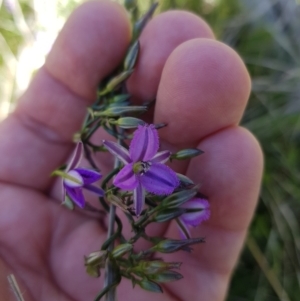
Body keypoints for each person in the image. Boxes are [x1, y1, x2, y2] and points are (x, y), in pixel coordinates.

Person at [0, 0, 263, 300]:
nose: (139, 169)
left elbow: (141, 181)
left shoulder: (139, 173)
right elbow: (136, 179)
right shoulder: (134, 171)